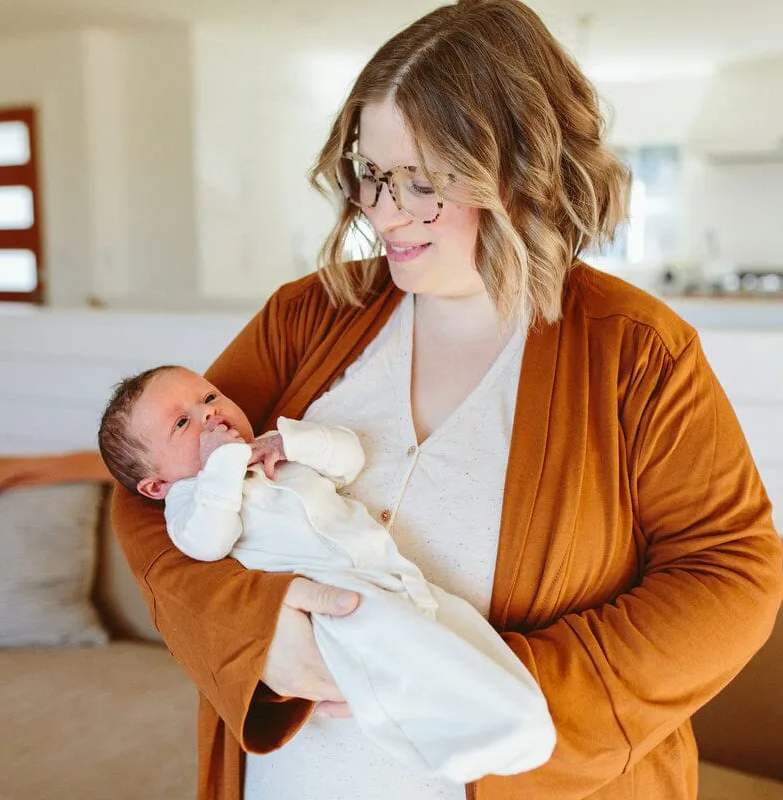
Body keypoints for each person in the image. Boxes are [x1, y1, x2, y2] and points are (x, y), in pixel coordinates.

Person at [110, 0, 783, 798]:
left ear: (525, 171)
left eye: (421, 183)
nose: (380, 212)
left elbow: (730, 573)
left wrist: (485, 687)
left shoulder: (636, 350)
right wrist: (255, 633)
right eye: (371, 172)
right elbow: (152, 488)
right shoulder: (308, 314)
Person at [97, 364, 555, 783]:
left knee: (460, 632)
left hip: (392, 576)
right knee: (412, 661)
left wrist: (287, 442)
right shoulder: (191, 498)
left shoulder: (275, 455)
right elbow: (206, 541)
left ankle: (523, 712)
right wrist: (222, 465)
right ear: (155, 485)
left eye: (210, 397)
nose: (210, 415)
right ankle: (459, 747)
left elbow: (349, 458)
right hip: (336, 602)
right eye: (182, 423)